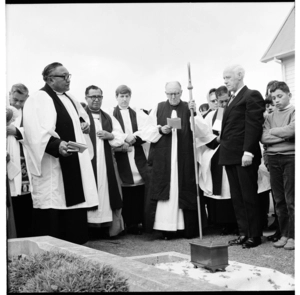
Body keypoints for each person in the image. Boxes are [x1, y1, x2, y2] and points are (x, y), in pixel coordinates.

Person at [23, 62, 98, 245]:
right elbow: (34, 130)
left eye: (68, 76)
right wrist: (56, 145)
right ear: (50, 79)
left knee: (73, 203)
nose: (67, 80)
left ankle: (75, 245)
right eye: (63, 77)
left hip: (73, 162)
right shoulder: (39, 98)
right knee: (54, 202)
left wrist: (83, 123)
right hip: (53, 166)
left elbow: (80, 116)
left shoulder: (70, 98)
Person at [140, 81, 214, 239]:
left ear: (181, 92)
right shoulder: (158, 108)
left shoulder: (189, 107)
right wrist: (160, 129)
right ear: (165, 93)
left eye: (176, 93)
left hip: (184, 158)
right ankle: (164, 227)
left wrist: (194, 114)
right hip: (163, 159)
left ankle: (184, 227)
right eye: (170, 93)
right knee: (165, 190)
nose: (173, 96)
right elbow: (145, 132)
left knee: (183, 189)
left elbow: (202, 132)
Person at [220, 65, 265, 248]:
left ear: (240, 76)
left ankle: (254, 234)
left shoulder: (251, 95)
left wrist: (248, 151)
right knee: (237, 197)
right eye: (224, 77)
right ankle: (244, 233)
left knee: (248, 196)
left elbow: (253, 125)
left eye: (228, 77)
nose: (225, 81)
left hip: (243, 154)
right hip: (230, 155)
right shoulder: (231, 99)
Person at [84, 85, 127, 238]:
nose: (96, 99)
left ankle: (108, 229)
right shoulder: (80, 115)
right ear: (86, 98)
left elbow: (120, 135)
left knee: (108, 194)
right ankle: (88, 229)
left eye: (99, 96)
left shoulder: (108, 117)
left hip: (107, 163)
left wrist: (110, 136)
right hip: (87, 164)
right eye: (92, 97)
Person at [198, 86, 238, 235]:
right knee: (220, 189)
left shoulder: (234, 112)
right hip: (216, 152)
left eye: (221, 100)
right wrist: (217, 139)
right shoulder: (211, 116)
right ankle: (223, 222)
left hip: (232, 152)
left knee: (232, 189)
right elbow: (203, 135)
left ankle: (236, 222)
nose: (219, 104)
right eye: (215, 101)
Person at [110, 85, 149, 235]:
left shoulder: (138, 114)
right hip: (121, 154)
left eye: (127, 96)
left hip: (136, 154)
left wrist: (134, 138)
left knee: (139, 190)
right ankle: (127, 222)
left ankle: (139, 221)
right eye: (121, 96)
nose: (124, 99)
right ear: (116, 97)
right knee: (125, 190)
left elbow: (146, 129)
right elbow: (112, 132)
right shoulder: (111, 115)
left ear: (130, 97)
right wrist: (123, 142)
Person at [261, 81, 295, 250]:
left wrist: (275, 132)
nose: (276, 100)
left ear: (289, 95)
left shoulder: (295, 111)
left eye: (280, 96)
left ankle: (294, 237)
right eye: (273, 97)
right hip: (274, 159)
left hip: (291, 158)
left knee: (292, 200)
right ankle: (284, 234)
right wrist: (284, 135)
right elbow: (264, 138)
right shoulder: (269, 116)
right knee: (279, 200)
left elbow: (293, 130)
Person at [6, 84, 33, 238]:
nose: (17, 104)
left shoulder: (28, 113)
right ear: (9, 94)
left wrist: (16, 131)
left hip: (22, 162)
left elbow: (34, 133)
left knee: (21, 202)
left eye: (21, 101)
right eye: (15, 99)